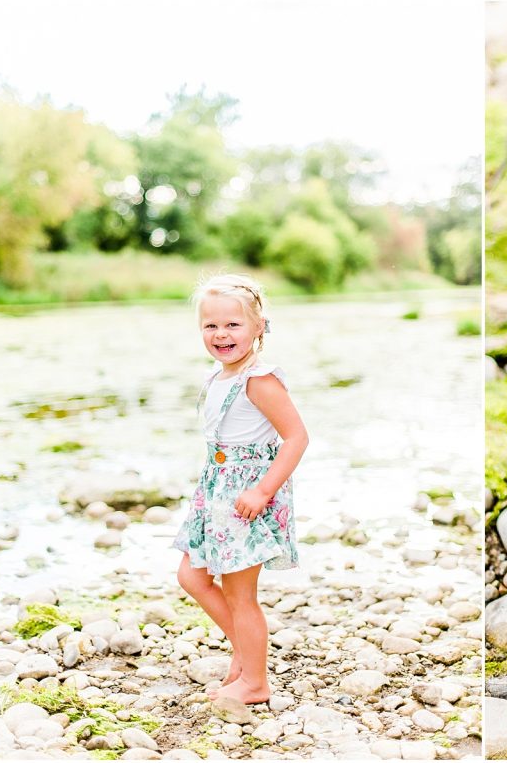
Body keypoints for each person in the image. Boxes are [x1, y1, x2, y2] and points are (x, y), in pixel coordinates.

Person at [173, 274, 309, 705]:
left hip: (248, 495)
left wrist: (263, 492)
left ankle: (256, 680)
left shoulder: (259, 379)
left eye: (232, 325)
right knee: (191, 576)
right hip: (215, 491)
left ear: (257, 327)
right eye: (210, 326)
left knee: (238, 592)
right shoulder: (221, 375)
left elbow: (296, 438)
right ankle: (247, 656)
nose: (221, 334)